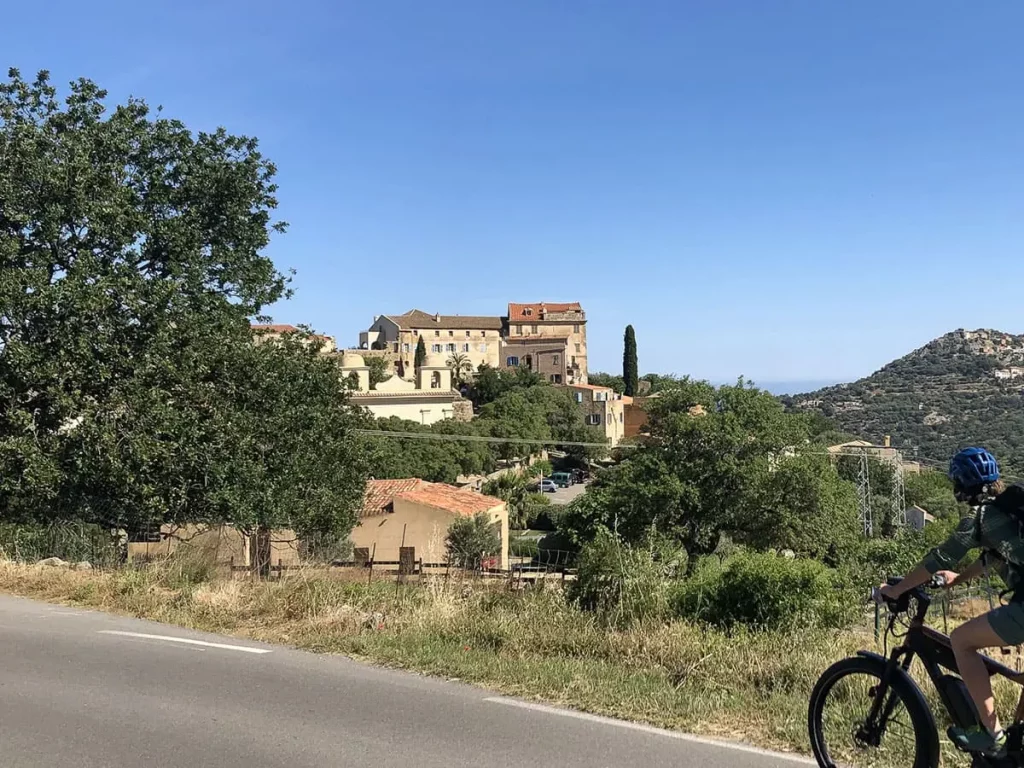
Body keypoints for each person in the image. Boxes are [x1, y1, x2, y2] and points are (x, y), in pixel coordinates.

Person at [879, 446, 1022, 757]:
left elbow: (940, 557)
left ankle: (992, 736)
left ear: (961, 485)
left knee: (961, 640)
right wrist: (957, 579)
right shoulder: (1009, 511)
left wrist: (898, 588)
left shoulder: (980, 516)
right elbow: (993, 557)